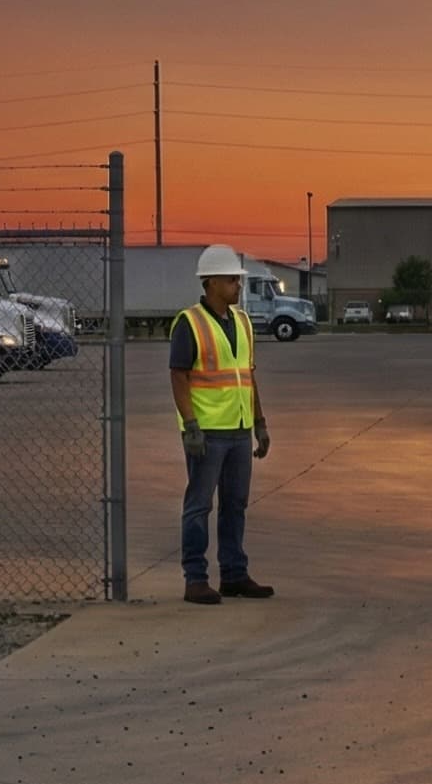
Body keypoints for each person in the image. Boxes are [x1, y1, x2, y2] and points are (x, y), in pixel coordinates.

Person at [170, 244, 275, 605]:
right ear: (210, 282)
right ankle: (195, 579)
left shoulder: (243, 322)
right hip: (208, 433)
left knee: (235, 504)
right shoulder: (190, 323)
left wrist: (259, 422)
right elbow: (179, 376)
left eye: (238, 280)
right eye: (231, 279)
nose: (238, 286)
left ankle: (233, 574)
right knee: (199, 505)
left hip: (239, 430)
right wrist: (191, 425)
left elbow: (248, 376)